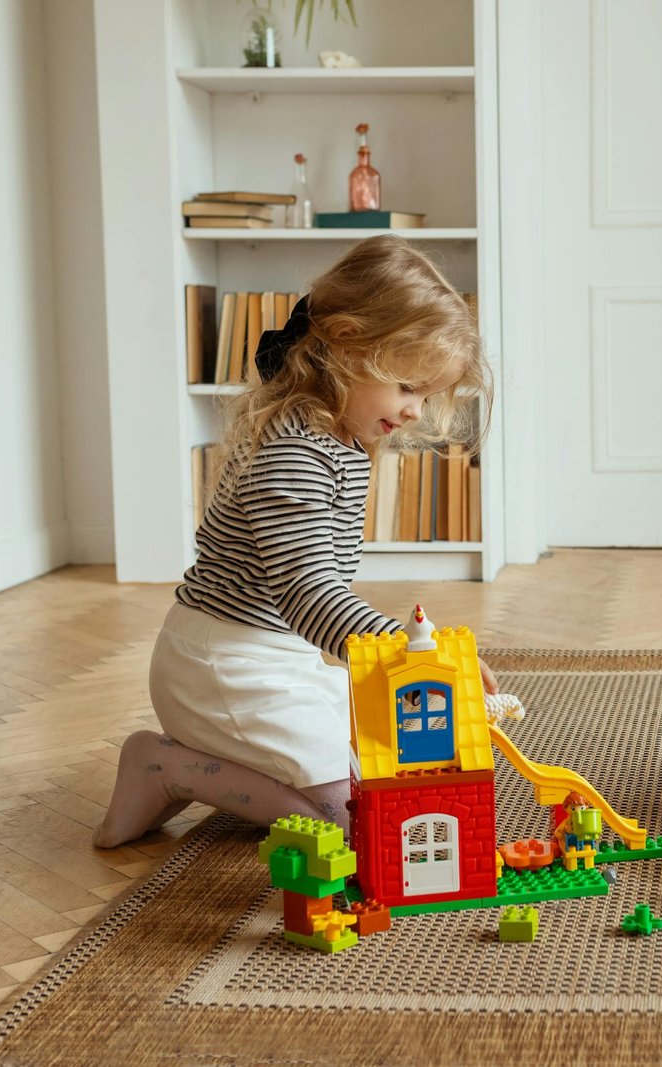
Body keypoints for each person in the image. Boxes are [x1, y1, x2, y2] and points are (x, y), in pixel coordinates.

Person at [93, 236, 493, 849]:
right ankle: (166, 768)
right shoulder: (294, 453)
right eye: (408, 386)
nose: (415, 410)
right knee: (350, 826)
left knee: (374, 764)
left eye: (425, 395)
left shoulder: (339, 438)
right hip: (225, 668)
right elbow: (308, 594)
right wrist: (411, 652)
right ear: (347, 345)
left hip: (278, 656)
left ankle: (213, 763)